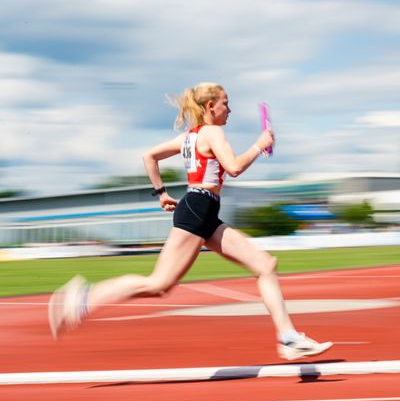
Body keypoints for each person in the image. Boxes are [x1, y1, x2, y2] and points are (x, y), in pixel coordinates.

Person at [48, 82, 332, 361]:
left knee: (265, 265)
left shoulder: (189, 137)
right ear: (211, 106)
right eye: (225, 103)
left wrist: (161, 193)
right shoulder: (212, 133)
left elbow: (149, 156)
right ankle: (83, 298)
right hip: (198, 208)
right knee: (159, 284)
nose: (229, 109)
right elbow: (233, 168)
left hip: (203, 210)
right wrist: (259, 145)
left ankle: (288, 337)